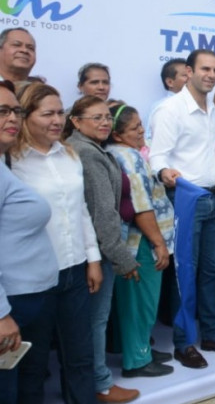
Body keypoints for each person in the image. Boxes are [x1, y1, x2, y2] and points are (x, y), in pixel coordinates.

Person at [10, 83, 108, 404]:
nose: (56, 120)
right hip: (33, 279)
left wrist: (92, 259)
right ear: (26, 116)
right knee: (33, 363)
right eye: (47, 113)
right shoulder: (12, 162)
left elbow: (80, 210)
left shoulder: (69, 154)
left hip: (75, 270)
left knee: (80, 354)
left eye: (60, 112)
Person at [150, 49, 215, 369]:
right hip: (185, 199)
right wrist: (165, 172)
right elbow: (157, 156)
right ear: (188, 71)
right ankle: (184, 342)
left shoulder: (212, 110)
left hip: (213, 199)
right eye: (205, 69)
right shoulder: (170, 109)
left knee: (211, 271)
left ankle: (212, 335)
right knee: (184, 274)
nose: (212, 75)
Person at [64, 96, 145, 400]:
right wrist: (122, 258)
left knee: (92, 321)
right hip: (97, 250)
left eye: (107, 118)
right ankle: (100, 384)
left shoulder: (90, 149)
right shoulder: (87, 153)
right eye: (95, 117)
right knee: (95, 322)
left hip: (98, 248)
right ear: (75, 120)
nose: (103, 123)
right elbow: (103, 212)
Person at [105, 104, 176, 379]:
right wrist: (158, 243)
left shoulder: (115, 153)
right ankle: (137, 360)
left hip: (132, 242)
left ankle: (140, 348)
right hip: (141, 242)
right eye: (135, 127)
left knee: (131, 302)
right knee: (141, 302)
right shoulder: (129, 157)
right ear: (119, 134)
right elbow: (141, 205)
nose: (142, 131)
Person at [0, 80, 59, 404]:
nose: (12, 118)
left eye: (16, 111)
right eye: (2, 111)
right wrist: (1, 315)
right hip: (10, 308)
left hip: (30, 300)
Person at [146, 58, 189, 143]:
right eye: (185, 75)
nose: (190, 79)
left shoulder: (200, 105)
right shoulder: (161, 106)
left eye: (191, 74)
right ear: (170, 82)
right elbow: (150, 139)